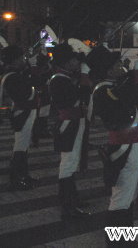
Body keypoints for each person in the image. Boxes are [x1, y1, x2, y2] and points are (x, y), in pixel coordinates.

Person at [87, 45, 138, 245]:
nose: (121, 66)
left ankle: (126, 234)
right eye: (117, 64)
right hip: (123, 147)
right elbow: (134, 96)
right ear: (109, 69)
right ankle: (116, 241)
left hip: (131, 144)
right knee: (121, 197)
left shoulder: (113, 86)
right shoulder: (104, 90)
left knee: (128, 194)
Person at [49, 43, 90, 218]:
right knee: (68, 165)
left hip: (72, 123)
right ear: (65, 63)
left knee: (71, 164)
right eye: (73, 59)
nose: (76, 62)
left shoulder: (63, 78)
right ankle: (68, 205)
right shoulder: (59, 79)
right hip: (68, 125)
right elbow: (79, 96)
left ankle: (71, 198)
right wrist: (84, 77)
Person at [1, 45, 38, 190]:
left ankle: (23, 175)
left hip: (23, 112)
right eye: (21, 58)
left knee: (23, 146)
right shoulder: (13, 77)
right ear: (15, 60)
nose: (24, 60)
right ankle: (15, 179)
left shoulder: (14, 74)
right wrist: (33, 67)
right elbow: (32, 86)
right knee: (20, 148)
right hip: (22, 113)